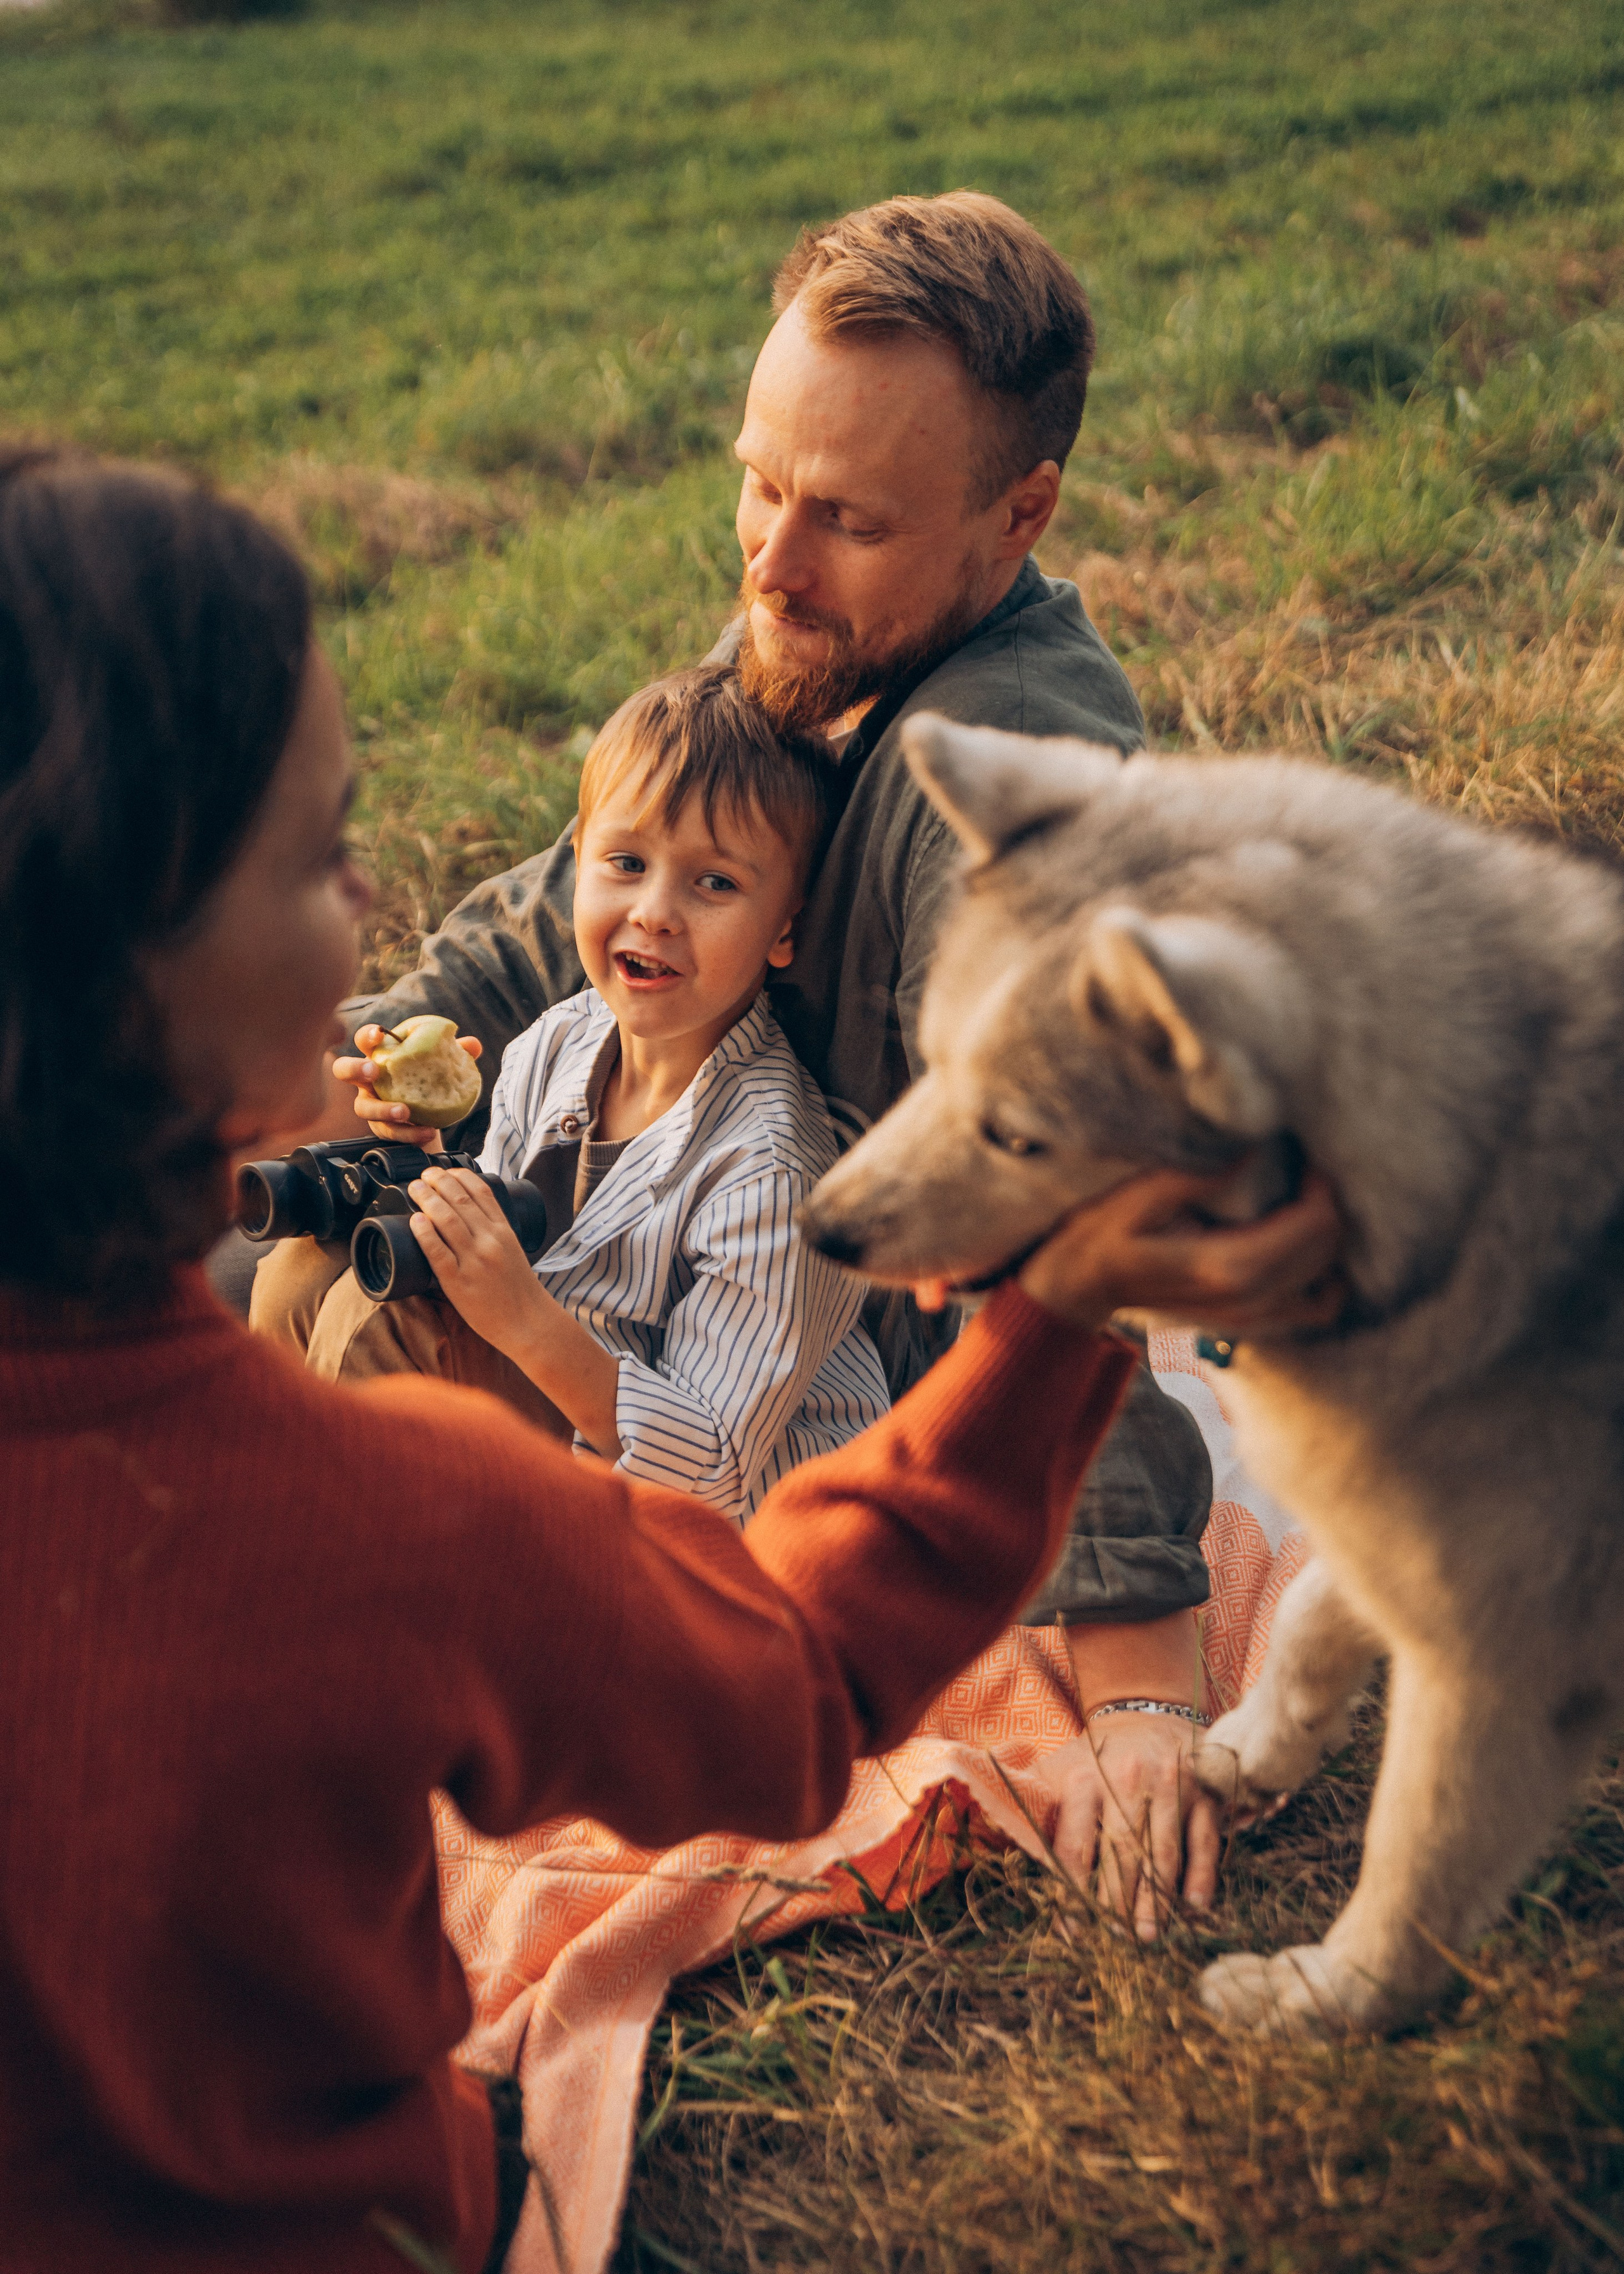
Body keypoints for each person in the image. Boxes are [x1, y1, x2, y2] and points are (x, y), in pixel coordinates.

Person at [0, 449, 1340, 2268]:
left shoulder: (728, 1143)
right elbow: (795, 1679)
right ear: (146, 977)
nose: (375, 912)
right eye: (323, 858)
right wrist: (1052, 1319)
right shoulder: (387, 1522)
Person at [298, 190, 1295, 1925]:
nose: (770, 554)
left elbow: (1086, 1221)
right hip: (629, 1238)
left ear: (1019, 515)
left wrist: (1139, 1672)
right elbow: (559, 912)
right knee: (259, 1238)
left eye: (840, 514)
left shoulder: (1014, 789)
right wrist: (360, 1052)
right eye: (761, 481)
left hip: (799, 1386)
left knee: (348, 1341)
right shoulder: (816, 627)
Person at [253, 666, 891, 1526]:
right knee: (304, 1271)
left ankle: (351, 1586)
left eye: (714, 884)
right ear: (579, 865)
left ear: (786, 928)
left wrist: (524, 1322)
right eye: (626, 864)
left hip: (717, 1524)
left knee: (388, 1325)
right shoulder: (561, 1039)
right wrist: (424, 1164)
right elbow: (508, 1228)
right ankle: (279, 1514)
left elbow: (711, 1466)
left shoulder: (776, 1172)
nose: (655, 913)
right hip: (561, 1421)